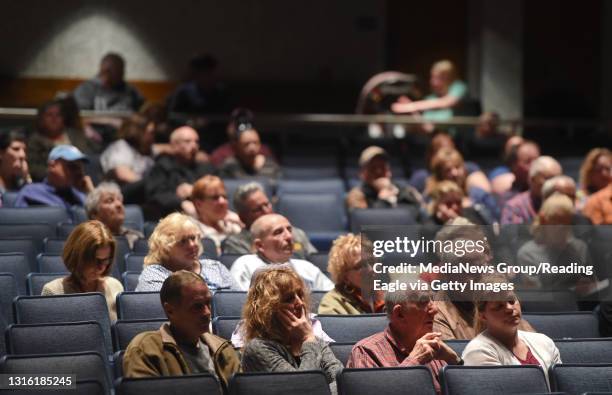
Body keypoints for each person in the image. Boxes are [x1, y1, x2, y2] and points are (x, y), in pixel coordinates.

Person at [123, 270, 240, 390]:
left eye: (208, 303)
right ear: (170, 311)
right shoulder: (145, 350)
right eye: (197, 306)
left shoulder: (224, 350)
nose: (207, 312)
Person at [240, 266, 342, 392]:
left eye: (300, 295)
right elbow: (300, 388)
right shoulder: (258, 348)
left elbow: (342, 381)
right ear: (267, 309)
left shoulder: (316, 341)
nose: (300, 303)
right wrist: (307, 341)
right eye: (289, 299)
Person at [432, 218, 534, 339]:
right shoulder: (438, 313)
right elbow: (453, 356)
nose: (471, 280)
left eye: (477, 270)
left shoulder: (500, 296)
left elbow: (536, 348)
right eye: (463, 271)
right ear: (447, 273)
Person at [347, 290, 462, 394]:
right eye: (423, 301)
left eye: (432, 299)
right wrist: (414, 361)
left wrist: (455, 361)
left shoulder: (436, 349)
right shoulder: (366, 352)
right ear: (399, 314)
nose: (435, 310)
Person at [462, 274, 561, 384]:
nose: (509, 308)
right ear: (483, 316)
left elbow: (562, 385)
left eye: (511, 301)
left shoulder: (544, 341)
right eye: (499, 306)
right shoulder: (478, 351)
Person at [516, 193, 596, 301]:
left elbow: (592, 284)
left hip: (580, 307)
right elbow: (535, 297)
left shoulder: (579, 248)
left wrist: (587, 285)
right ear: (544, 221)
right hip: (548, 311)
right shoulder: (528, 253)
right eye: (558, 222)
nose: (563, 228)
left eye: (567, 222)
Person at [41, 220, 123, 321]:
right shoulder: (53, 292)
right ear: (77, 257)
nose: (101, 268)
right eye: (95, 260)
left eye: (106, 260)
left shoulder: (115, 286)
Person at [229, 214, 333, 291]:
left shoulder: (307, 268)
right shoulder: (245, 265)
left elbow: (329, 299)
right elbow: (241, 304)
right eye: (278, 232)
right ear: (260, 245)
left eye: (289, 230)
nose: (288, 236)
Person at [136, 213, 236, 292]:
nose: (193, 244)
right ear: (165, 246)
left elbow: (241, 303)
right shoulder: (154, 275)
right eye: (183, 241)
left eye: (193, 238)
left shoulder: (216, 267)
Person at [222, 182, 317, 259]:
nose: (266, 211)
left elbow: (316, 260)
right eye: (257, 209)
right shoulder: (236, 243)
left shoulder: (295, 233)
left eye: (267, 204)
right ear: (243, 217)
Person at [144, 126, 214, 219]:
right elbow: (156, 195)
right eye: (187, 141)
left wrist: (195, 190)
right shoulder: (162, 167)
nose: (194, 146)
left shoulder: (204, 167)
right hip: (170, 218)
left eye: (196, 142)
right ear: (174, 145)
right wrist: (180, 202)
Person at [345, 146, 423, 217]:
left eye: (382, 167)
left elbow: (416, 215)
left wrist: (395, 201)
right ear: (362, 174)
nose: (379, 172)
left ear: (389, 171)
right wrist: (383, 200)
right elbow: (364, 224)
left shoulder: (405, 190)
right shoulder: (356, 195)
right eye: (373, 168)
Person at [318, 234, 385, 314]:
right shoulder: (332, 304)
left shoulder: (388, 295)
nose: (371, 269)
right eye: (360, 266)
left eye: (372, 261)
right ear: (344, 276)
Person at [27, 100, 93, 181]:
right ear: (42, 119)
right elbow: (33, 168)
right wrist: (58, 174)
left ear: (63, 118)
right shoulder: (35, 141)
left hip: (80, 179)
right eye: (49, 115)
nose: (54, 119)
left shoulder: (76, 135)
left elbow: (88, 159)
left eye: (58, 115)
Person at [425, 147, 497, 220]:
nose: (454, 173)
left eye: (457, 167)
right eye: (448, 170)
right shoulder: (433, 200)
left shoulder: (478, 194)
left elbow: (494, 218)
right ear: (439, 174)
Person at [15, 145, 93, 208]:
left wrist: (91, 193)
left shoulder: (81, 197)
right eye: (72, 167)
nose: (78, 173)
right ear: (52, 165)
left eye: (80, 168)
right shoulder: (31, 192)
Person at [391, 60, 468, 123]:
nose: (432, 82)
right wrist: (413, 112)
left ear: (448, 78)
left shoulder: (459, 87)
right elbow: (427, 127)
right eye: (432, 77)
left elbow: (447, 102)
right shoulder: (431, 98)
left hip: (460, 139)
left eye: (438, 78)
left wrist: (411, 106)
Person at [501, 156, 563, 225]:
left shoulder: (566, 203)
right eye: (549, 179)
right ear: (532, 179)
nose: (556, 184)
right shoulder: (515, 207)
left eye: (558, 179)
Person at [73, 52, 144, 111]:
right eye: (119, 72)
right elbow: (80, 117)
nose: (123, 74)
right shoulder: (86, 89)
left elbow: (143, 107)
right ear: (105, 72)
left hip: (127, 126)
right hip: (98, 127)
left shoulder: (129, 89)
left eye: (122, 72)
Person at [191, 175, 241, 255]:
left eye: (224, 197)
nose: (222, 201)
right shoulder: (191, 229)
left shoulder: (232, 221)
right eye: (215, 198)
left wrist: (241, 224)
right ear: (198, 204)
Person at [100, 114, 155, 184]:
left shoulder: (144, 149)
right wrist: (153, 187)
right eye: (151, 133)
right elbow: (122, 174)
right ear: (138, 132)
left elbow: (164, 148)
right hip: (120, 191)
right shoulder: (121, 147)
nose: (153, 137)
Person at [85, 182, 144, 249]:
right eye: (110, 201)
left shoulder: (136, 237)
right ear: (94, 214)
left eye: (119, 199)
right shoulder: (88, 242)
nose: (119, 204)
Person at [209, 108, 275, 167]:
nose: (252, 148)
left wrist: (265, 164)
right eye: (246, 144)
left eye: (255, 143)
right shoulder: (221, 154)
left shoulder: (265, 153)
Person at [0, 129, 30, 193]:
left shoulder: (21, 183)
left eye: (25, 150)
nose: (23, 155)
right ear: (1, 153)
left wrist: (26, 178)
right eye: (16, 149)